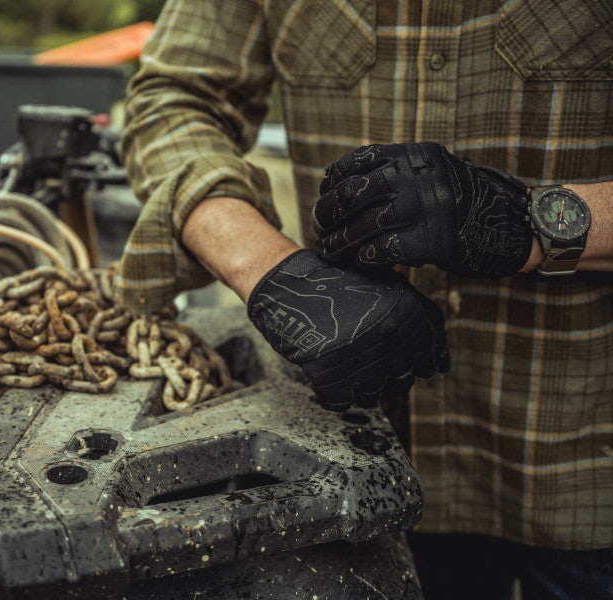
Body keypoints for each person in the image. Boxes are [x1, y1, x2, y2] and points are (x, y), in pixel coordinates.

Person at [114, 1, 613, 598]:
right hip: (355, 455)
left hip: (584, 467)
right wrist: (270, 268)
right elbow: (172, 99)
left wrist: (523, 223)